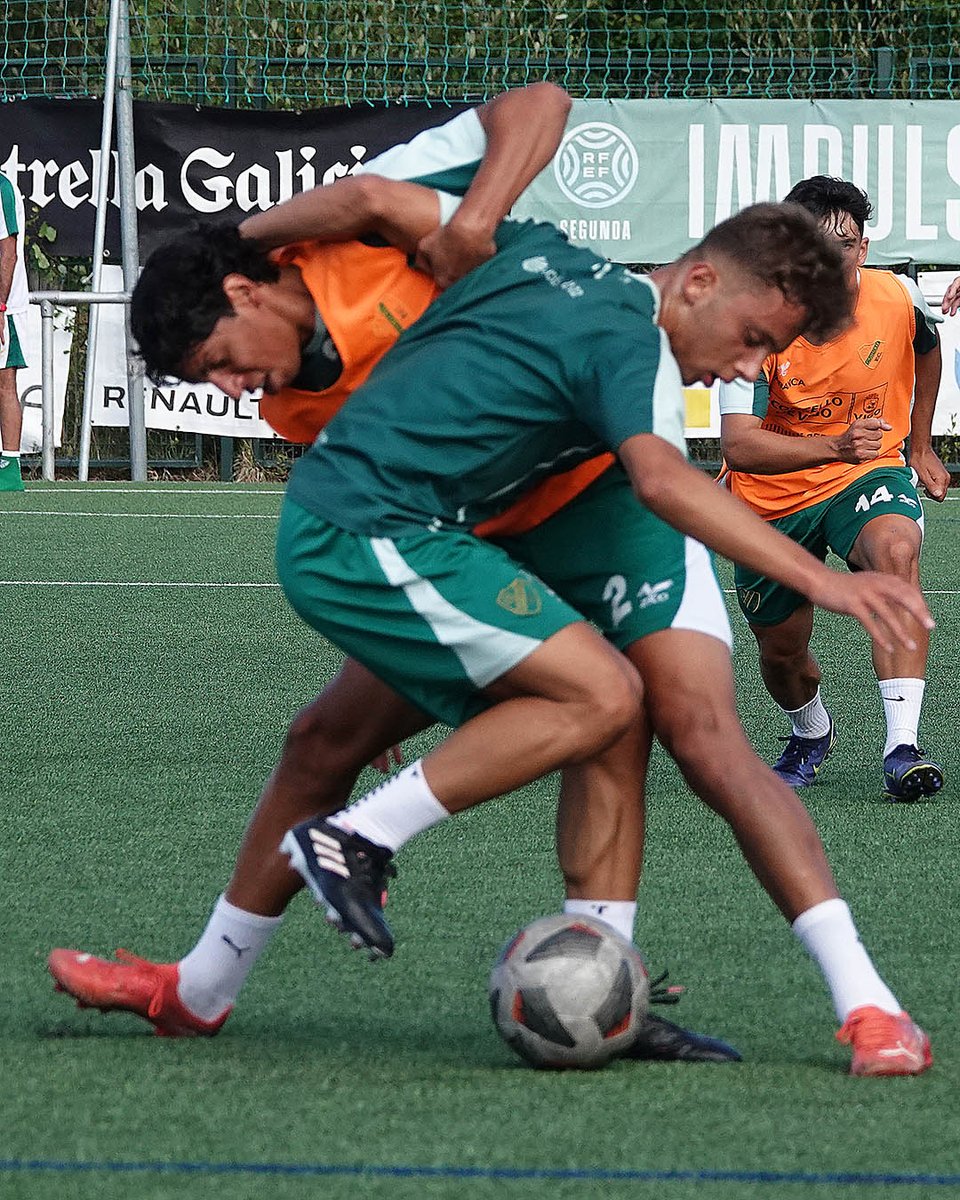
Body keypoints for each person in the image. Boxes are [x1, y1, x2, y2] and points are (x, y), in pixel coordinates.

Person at [51, 127, 932, 1076]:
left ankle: (861, 1005)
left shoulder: (503, 257)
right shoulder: (368, 351)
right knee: (333, 736)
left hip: (601, 509)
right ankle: (203, 988)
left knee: (700, 735)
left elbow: (471, 146)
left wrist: (267, 233)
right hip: (472, 530)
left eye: (771, 349)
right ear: (703, 283)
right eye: (755, 341)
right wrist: (825, 580)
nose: (752, 367)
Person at [719, 177, 949, 802]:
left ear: (863, 249)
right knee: (782, 656)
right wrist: (833, 445)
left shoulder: (897, 297)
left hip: (864, 472)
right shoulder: (753, 323)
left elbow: (927, 350)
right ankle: (809, 730)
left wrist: (919, 445)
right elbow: (739, 446)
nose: (831, 259)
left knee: (896, 550)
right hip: (772, 495)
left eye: (844, 245)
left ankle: (902, 748)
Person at [0, 168, 28, 493]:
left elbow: (8, 250)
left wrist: (0, 306)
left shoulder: (1, 186)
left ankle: (10, 469)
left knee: (4, 382)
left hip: (4, 307)